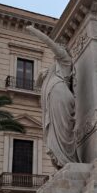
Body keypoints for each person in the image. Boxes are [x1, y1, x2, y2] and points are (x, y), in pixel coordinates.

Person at [26, 26, 79, 169]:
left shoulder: (65, 59)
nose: (59, 48)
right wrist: (40, 76)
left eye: (61, 46)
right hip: (53, 96)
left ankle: (68, 159)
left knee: (63, 131)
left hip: (59, 94)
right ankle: (63, 161)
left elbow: (50, 43)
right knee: (53, 133)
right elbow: (37, 85)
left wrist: (34, 31)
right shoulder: (53, 68)